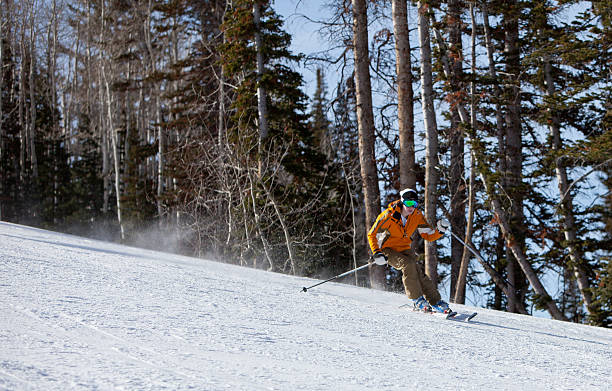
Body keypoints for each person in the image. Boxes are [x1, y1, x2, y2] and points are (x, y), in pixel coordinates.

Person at [367, 188, 451, 312]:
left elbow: (427, 234)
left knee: (418, 273)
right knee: (407, 265)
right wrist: (376, 252)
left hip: (404, 248)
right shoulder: (388, 216)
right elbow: (372, 234)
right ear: (402, 202)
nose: (411, 207)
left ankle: (435, 301)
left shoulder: (416, 215)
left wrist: (440, 231)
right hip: (386, 249)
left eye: (414, 204)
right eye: (408, 203)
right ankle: (417, 300)